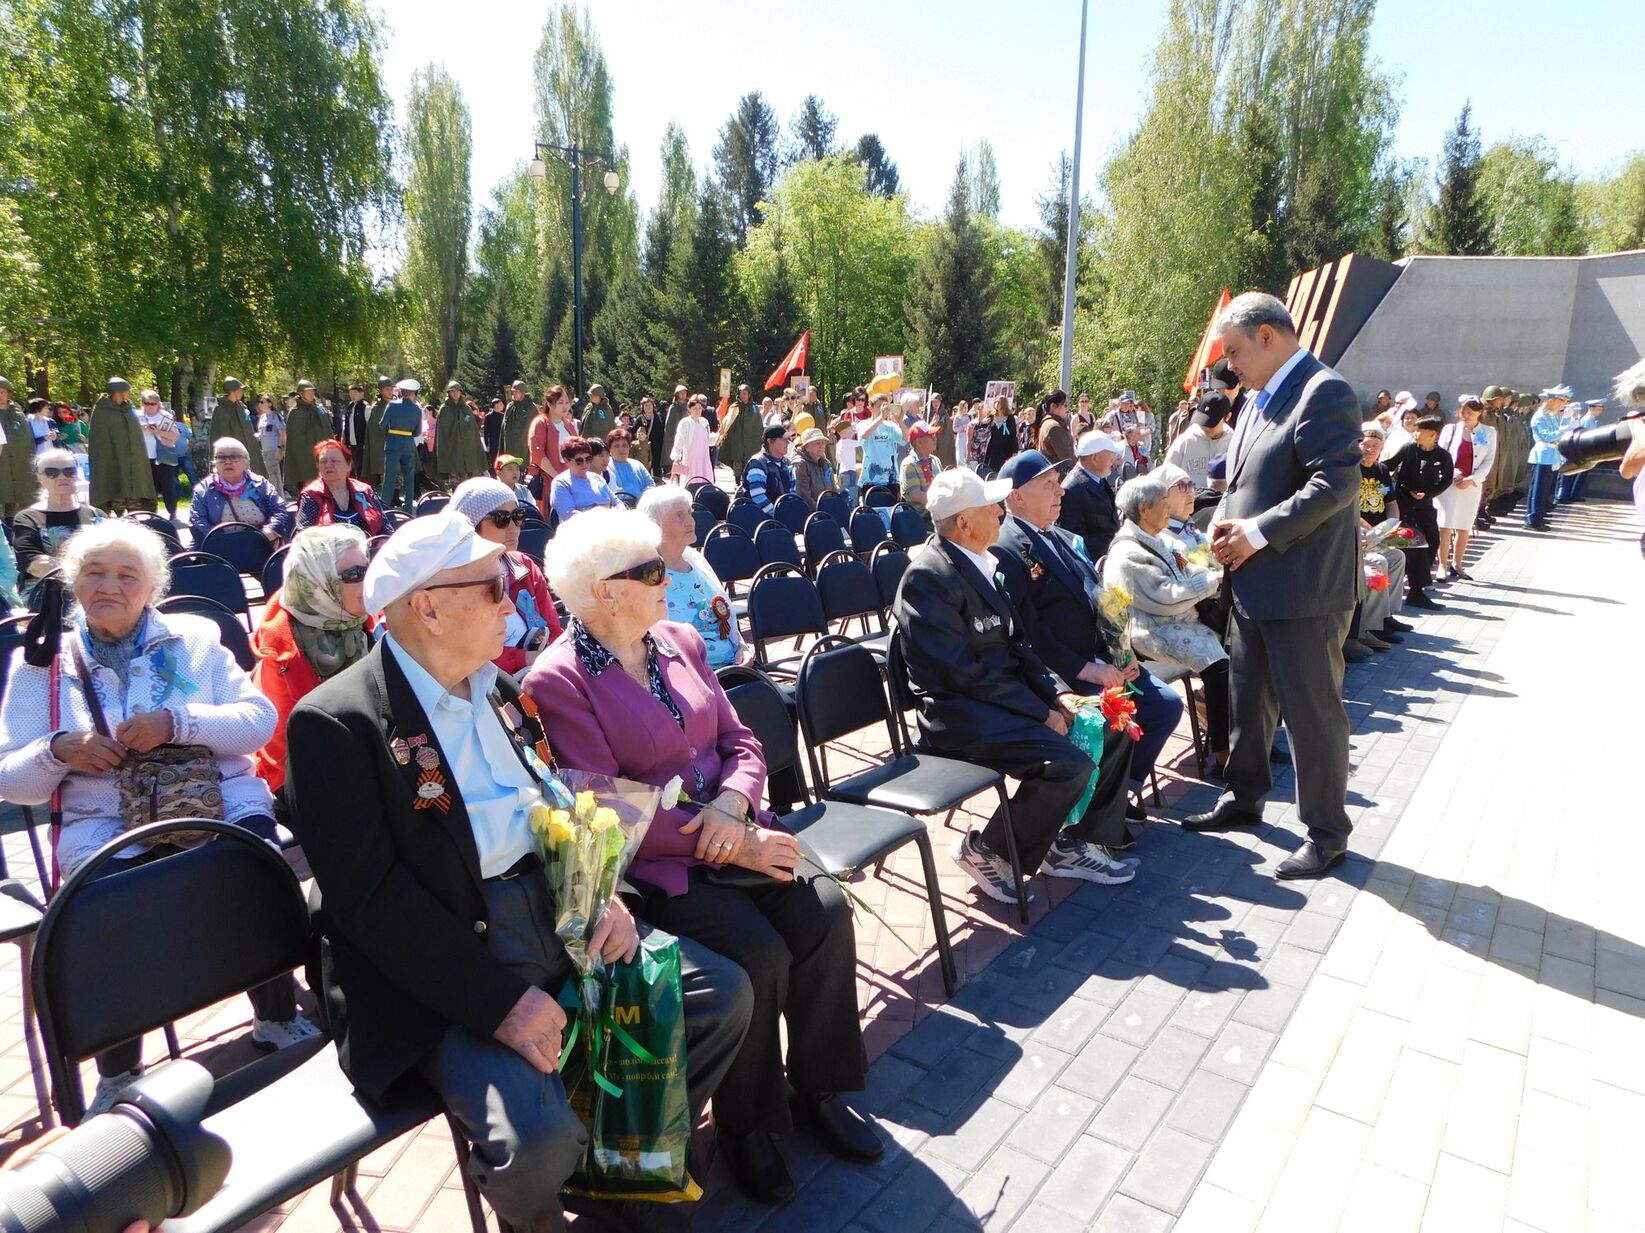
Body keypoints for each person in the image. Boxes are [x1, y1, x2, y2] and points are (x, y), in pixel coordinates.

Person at [284, 512, 752, 1233]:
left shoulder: (500, 690)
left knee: (720, 995)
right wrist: (498, 1001)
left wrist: (608, 895)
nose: (517, 601)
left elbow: (562, 804)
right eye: (495, 585)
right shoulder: (337, 721)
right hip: (445, 960)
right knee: (535, 1141)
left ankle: (616, 1165)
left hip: (552, 914)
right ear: (428, 606)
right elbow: (370, 902)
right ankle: (545, 1209)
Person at [526, 507, 875, 1205]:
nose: (669, 578)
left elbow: (742, 741)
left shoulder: (678, 639)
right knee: (758, 955)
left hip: (735, 829)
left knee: (825, 912)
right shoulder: (557, 681)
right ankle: (746, 1128)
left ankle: (818, 1085)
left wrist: (737, 805)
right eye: (651, 570)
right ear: (606, 591)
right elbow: (609, 808)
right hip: (666, 869)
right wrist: (730, 838)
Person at [0, 519, 316, 1114]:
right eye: (94, 573)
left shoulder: (193, 642)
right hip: (106, 824)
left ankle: (275, 1016)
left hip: (215, 800)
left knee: (252, 871)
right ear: (73, 583)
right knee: (104, 911)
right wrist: (58, 749)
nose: (110, 586)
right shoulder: (42, 665)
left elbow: (258, 722)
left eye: (127, 575)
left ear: (152, 588)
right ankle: (119, 1071)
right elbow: (10, 780)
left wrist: (179, 723)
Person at [894, 468, 1136, 906]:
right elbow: (966, 675)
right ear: (963, 522)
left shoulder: (980, 562)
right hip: (960, 713)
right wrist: (1041, 712)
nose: (999, 510)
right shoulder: (928, 578)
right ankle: (989, 850)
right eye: (990, 506)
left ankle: (1073, 843)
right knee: (1067, 762)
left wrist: (1058, 693)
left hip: (1000, 700)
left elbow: (1020, 647)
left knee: (1110, 725)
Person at [1185, 292, 1361, 881]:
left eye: (1233, 350)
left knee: (1313, 716)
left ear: (1268, 336)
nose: (1228, 364)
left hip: (1305, 591)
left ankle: (1328, 834)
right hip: (1255, 585)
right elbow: (1243, 482)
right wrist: (1222, 516)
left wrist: (1256, 532)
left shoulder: (1322, 391)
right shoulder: (1260, 397)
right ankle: (1245, 796)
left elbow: (1334, 485)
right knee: (1248, 702)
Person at [994, 451, 1186, 818]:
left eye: (1058, 483)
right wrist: (1087, 670)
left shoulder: (1060, 536)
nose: (1061, 491)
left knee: (1164, 706)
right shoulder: (1007, 546)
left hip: (1101, 657)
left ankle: (1118, 792)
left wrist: (1121, 650)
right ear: (1016, 496)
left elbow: (1094, 600)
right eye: (1048, 485)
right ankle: (1099, 811)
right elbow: (1027, 632)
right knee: (1113, 719)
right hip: (1064, 672)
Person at [252, 525, 374, 809]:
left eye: (368, 568)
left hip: (362, 753)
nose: (368, 581)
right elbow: (297, 748)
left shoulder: (366, 622)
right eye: (354, 575)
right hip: (303, 773)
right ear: (318, 584)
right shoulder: (284, 651)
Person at [448, 478, 563, 677]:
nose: (513, 528)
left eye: (518, 516)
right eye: (501, 518)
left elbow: (553, 629)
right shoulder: (455, 581)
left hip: (541, 672)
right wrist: (522, 659)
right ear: (471, 524)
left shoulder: (524, 566)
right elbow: (458, 654)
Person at [639, 486, 747, 669]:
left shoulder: (696, 561)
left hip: (733, 666)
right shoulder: (649, 577)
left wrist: (742, 648)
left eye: (690, 513)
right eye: (679, 516)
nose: (690, 521)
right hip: (691, 676)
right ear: (655, 526)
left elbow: (722, 616)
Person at [1384, 412, 1453, 609]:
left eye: (1420, 431)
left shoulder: (1442, 456)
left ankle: (1419, 586)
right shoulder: (1408, 449)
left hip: (1425, 504)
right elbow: (1389, 465)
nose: (1416, 434)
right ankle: (1413, 588)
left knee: (1432, 539)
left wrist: (1429, 493)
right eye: (1415, 431)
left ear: (1433, 434)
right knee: (1412, 542)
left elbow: (1446, 479)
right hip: (1404, 504)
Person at [13, 449, 102, 600]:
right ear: (39, 478)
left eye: (69, 471)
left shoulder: (96, 515)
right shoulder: (28, 518)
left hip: (96, 588)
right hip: (47, 592)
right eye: (52, 472)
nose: (62, 477)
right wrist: (88, 574)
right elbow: (36, 565)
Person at [1354, 426, 1412, 644]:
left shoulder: (1380, 471)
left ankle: (1387, 615)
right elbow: (1348, 507)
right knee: (1379, 563)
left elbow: (1391, 503)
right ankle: (1372, 624)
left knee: (1398, 556)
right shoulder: (1351, 471)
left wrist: (1391, 523)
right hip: (1357, 530)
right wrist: (1367, 527)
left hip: (1378, 531)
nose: (1369, 450)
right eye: (1366, 445)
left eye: (1375, 447)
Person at [1436, 395, 1497, 581]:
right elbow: (1441, 454)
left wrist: (1473, 479)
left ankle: (1458, 564)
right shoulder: (1451, 429)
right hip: (1450, 483)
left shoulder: (1489, 432)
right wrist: (1455, 475)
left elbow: (1489, 460)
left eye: (1471, 412)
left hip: (1472, 485)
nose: (1466, 415)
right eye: (1464, 412)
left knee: (1464, 526)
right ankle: (1442, 565)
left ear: (1480, 412)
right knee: (1445, 525)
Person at [189, 438, 291, 545]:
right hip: (219, 548)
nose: (227, 461)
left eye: (234, 457)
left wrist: (270, 531)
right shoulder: (203, 489)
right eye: (221, 457)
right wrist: (223, 541)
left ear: (246, 462)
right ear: (215, 462)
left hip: (262, 544)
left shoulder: (260, 484)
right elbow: (197, 521)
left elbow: (280, 510)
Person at [88, 379, 155, 514]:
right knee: (116, 489)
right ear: (118, 392)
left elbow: (135, 438)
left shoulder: (129, 410)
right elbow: (100, 442)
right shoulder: (102, 412)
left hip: (133, 466)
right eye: (126, 391)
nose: (129, 394)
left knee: (135, 504)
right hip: (113, 464)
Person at [294, 439, 387, 536]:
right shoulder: (311, 496)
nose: (328, 465)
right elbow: (304, 536)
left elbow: (385, 526)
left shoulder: (364, 490)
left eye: (334, 461)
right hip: (328, 549)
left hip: (370, 548)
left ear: (349, 465)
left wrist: (382, 543)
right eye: (323, 461)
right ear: (318, 466)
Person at [1059, 430, 1122, 562]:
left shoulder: (1097, 477)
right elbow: (1075, 538)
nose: (1114, 459)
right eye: (1111, 455)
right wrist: (1114, 551)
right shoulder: (1072, 489)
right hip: (1098, 563)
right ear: (1094, 458)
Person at [1524, 385, 1570, 530]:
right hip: (1542, 455)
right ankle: (1533, 519)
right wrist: (1565, 428)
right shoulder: (1540, 416)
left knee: (1544, 489)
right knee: (1538, 490)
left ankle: (1539, 516)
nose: (1564, 404)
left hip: (1551, 456)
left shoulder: (1550, 415)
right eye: (1562, 400)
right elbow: (1547, 436)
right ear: (1551, 400)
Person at [1165, 392, 1234, 489]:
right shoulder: (1184, 441)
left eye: (1211, 423)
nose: (1205, 427)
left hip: (1224, 502)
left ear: (1227, 417)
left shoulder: (1234, 443)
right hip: (1191, 502)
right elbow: (1167, 477)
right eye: (1202, 421)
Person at [134, 390, 182, 519]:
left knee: (168, 485)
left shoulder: (165, 416)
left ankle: (172, 512)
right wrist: (140, 429)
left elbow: (176, 436)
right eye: (146, 403)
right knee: (148, 486)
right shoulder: (136, 416)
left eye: (153, 403)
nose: (149, 406)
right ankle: (151, 513)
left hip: (163, 455)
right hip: (144, 456)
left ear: (158, 403)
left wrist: (158, 432)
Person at [547, 435, 618, 522]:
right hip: (581, 531)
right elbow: (569, 515)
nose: (585, 464)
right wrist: (600, 514)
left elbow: (617, 503)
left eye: (588, 459)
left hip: (609, 526)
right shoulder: (561, 483)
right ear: (566, 460)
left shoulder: (598, 479)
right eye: (579, 461)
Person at [380, 378, 424, 513]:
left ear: (401, 392)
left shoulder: (392, 405)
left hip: (393, 441)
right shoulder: (417, 409)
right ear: (411, 394)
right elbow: (417, 432)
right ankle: (408, 507)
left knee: (390, 476)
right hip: (408, 443)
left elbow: (382, 425)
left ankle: (385, 507)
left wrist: (392, 431)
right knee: (409, 476)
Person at [434, 380, 487, 484]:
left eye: (458, 391)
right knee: (455, 481)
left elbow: (473, 431)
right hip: (452, 451)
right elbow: (442, 433)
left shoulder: (466, 409)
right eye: (453, 391)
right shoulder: (444, 409)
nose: (455, 393)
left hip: (467, 451)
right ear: (449, 393)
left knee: (468, 481)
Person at [527, 385, 572, 507]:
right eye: (561, 402)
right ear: (550, 404)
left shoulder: (569, 424)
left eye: (567, 402)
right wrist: (558, 478)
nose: (565, 406)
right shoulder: (540, 423)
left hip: (569, 479)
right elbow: (538, 455)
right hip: (548, 480)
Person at [284, 381, 331, 493]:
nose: (311, 394)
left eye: (312, 391)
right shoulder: (295, 413)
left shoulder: (319, 409)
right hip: (304, 456)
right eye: (307, 391)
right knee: (309, 485)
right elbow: (294, 438)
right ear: (301, 393)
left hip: (322, 452)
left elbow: (327, 430)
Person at [212, 379, 266, 474]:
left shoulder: (242, 407)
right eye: (240, 389)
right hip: (233, 455)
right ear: (233, 391)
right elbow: (221, 436)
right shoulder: (220, 410)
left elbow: (248, 428)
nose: (242, 392)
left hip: (251, 452)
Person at [739, 424, 795, 513]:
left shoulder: (786, 463)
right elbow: (758, 497)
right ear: (770, 441)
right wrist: (778, 515)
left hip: (783, 517)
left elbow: (793, 492)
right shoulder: (757, 463)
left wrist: (792, 511)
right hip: (760, 519)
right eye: (784, 439)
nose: (788, 442)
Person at [0, 379, 36, 517]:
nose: (0, 396)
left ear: (9, 393)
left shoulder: (17, 412)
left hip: (20, 464)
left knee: (22, 501)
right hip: (3, 464)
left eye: (2, 392)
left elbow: (27, 438)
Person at [859, 396, 904, 490]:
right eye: (879, 406)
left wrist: (901, 422)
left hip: (891, 480)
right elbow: (864, 436)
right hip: (870, 479)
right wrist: (881, 417)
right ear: (870, 407)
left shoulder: (891, 426)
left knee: (892, 505)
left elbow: (905, 440)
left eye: (885, 406)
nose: (883, 409)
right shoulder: (863, 424)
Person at [669, 394, 714, 485]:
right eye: (695, 408)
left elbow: (707, 439)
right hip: (691, 458)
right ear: (689, 409)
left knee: (704, 482)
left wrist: (717, 438)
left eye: (700, 408)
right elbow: (679, 440)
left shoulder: (704, 422)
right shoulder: (685, 423)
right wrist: (677, 457)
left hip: (704, 457)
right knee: (691, 482)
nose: (698, 411)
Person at [603, 428, 654, 502]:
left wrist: (643, 498)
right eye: (616, 446)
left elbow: (650, 484)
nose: (621, 449)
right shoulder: (605, 467)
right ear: (609, 449)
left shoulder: (637, 465)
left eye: (624, 445)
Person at [898, 421, 942, 507]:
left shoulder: (935, 460)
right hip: (923, 517)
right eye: (931, 436)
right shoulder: (909, 464)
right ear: (919, 442)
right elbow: (916, 495)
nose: (935, 439)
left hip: (939, 513)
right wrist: (941, 504)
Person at [792, 427, 835, 509]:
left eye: (823, 443)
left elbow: (834, 491)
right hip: (812, 515)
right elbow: (804, 497)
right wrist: (821, 511)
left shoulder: (826, 463)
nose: (821, 446)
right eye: (817, 443)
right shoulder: (801, 465)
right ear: (806, 447)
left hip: (829, 510)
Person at [255, 395, 287, 496]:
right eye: (259, 402)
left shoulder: (275, 416)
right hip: (265, 450)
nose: (260, 404)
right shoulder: (262, 417)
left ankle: (272, 496)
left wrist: (280, 449)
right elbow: (261, 432)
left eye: (262, 402)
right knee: (275, 474)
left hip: (274, 450)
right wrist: (257, 436)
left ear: (270, 403)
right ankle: (280, 497)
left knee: (268, 473)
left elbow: (283, 433)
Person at [499, 379, 538, 463]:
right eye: (513, 392)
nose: (514, 394)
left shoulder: (531, 408)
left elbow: (537, 430)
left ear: (522, 393)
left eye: (516, 392)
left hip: (524, 450)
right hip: (509, 448)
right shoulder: (510, 406)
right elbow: (504, 428)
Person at [982, 396, 1019, 474]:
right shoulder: (991, 417)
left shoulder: (1010, 418)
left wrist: (1015, 450)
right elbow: (981, 427)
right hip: (993, 448)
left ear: (1003, 404)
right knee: (992, 470)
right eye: (995, 402)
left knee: (1003, 469)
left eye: (998, 402)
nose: (996, 404)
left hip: (1006, 448)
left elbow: (1013, 435)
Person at [1036, 390, 1074, 465]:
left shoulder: (1049, 423)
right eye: (1065, 405)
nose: (1067, 409)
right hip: (1059, 474)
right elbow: (1068, 459)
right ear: (1053, 406)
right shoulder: (1054, 427)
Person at [482, 397, 505, 462]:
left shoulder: (503, 416)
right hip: (493, 442)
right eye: (501, 404)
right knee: (495, 460)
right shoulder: (488, 416)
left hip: (502, 441)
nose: (503, 406)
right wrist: (487, 444)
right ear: (496, 405)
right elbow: (486, 432)